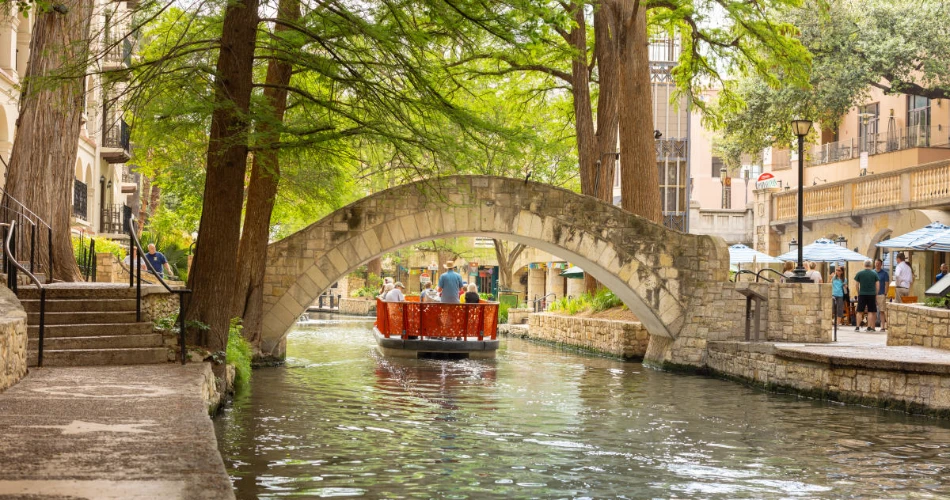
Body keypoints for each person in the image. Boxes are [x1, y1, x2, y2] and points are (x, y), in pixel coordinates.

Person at [853, 259, 880, 332]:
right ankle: (869, 327)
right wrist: (876, 293)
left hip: (862, 294)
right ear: (871, 265)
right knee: (870, 311)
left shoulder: (859, 273)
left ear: (864, 265)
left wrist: (858, 292)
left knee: (859, 311)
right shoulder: (874, 273)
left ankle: (857, 327)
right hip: (871, 294)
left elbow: (856, 284)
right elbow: (877, 285)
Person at [875, 259, 889, 332]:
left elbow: (887, 284)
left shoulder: (884, 273)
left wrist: (885, 293)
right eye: (876, 263)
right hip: (873, 294)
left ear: (881, 264)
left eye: (878, 263)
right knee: (872, 311)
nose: (877, 265)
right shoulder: (872, 272)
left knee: (882, 311)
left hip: (881, 294)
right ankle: (872, 326)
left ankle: (883, 326)